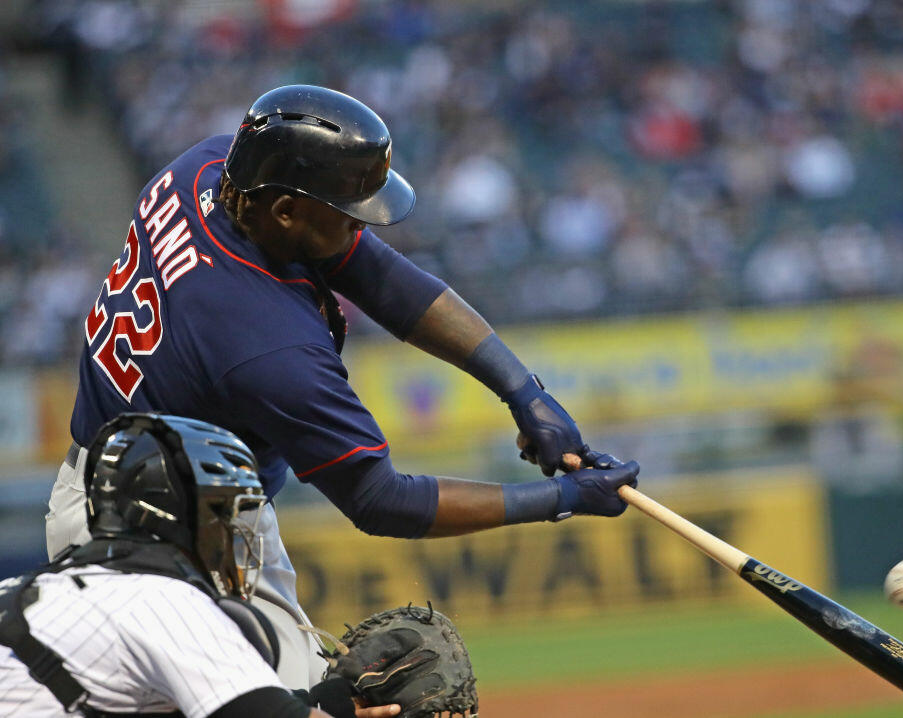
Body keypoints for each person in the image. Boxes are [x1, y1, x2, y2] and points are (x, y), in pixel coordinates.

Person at [45, 84, 641, 689]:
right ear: (286, 212)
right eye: (347, 210)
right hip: (155, 552)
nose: (360, 224)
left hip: (137, 497)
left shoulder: (208, 167)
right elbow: (381, 499)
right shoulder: (268, 344)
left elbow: (382, 277)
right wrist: (563, 499)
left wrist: (522, 390)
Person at [4, 412, 401, 718]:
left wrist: (322, 702)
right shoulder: (166, 600)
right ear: (187, 520)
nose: (231, 533)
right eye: (224, 516)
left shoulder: (52, 587)